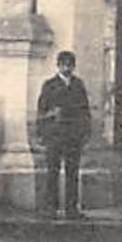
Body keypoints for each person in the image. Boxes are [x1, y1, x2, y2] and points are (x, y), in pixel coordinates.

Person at [36, 50, 92, 220]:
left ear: (73, 66)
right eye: (64, 64)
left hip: (73, 136)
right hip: (55, 135)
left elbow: (85, 110)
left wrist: (85, 132)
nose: (67, 68)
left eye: (70, 65)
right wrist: (50, 118)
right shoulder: (49, 85)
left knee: (72, 173)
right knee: (52, 172)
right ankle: (50, 208)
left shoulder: (78, 85)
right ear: (58, 65)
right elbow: (41, 111)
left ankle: (71, 209)